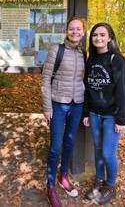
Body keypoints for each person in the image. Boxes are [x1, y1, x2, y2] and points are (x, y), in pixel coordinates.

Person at [83, 22, 125, 205]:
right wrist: (87, 112)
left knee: (108, 153)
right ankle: (99, 181)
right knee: (97, 151)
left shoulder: (116, 60)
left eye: (103, 35)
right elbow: (88, 88)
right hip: (95, 114)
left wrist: (121, 119)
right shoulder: (92, 60)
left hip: (112, 116)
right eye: (95, 35)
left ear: (110, 38)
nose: (98, 38)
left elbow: (123, 92)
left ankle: (111, 186)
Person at [41, 17, 87, 207]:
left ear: (83, 32)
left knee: (69, 142)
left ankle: (63, 177)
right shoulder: (56, 50)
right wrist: (47, 107)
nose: (75, 32)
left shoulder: (83, 53)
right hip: (58, 104)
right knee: (56, 147)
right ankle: (50, 187)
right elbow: (45, 79)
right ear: (66, 31)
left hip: (77, 104)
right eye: (71, 29)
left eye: (78, 29)